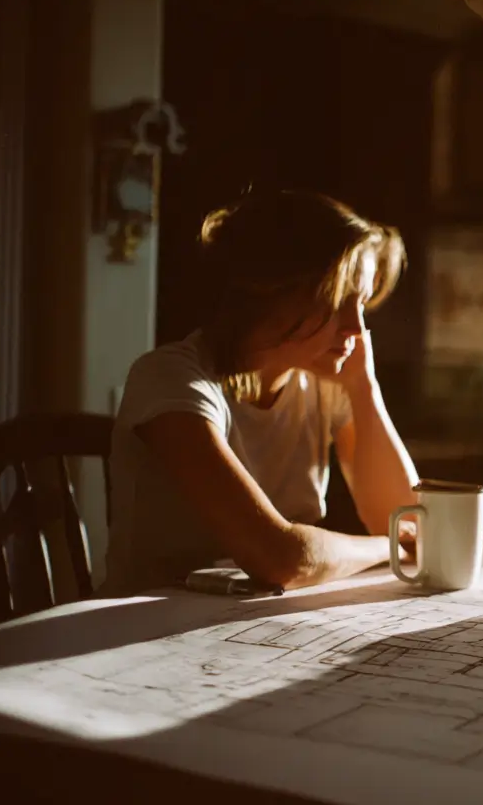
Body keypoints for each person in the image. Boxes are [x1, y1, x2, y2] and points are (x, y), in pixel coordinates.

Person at [105, 190, 419, 596]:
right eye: (340, 300)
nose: (357, 329)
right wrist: (387, 547)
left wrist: (364, 385)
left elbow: (407, 517)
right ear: (275, 291)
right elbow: (280, 558)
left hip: (253, 630)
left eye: (361, 304)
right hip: (138, 633)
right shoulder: (172, 379)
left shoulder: (323, 385)